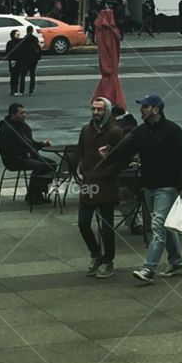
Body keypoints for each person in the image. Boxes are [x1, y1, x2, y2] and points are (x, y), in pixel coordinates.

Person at [100, 94, 182, 284]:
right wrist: (108, 156)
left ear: (155, 109)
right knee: (165, 226)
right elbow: (126, 151)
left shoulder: (172, 130)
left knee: (157, 226)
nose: (141, 110)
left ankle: (149, 269)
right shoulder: (141, 132)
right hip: (149, 185)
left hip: (167, 187)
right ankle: (176, 262)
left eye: (145, 107)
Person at [76, 97, 126, 278]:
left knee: (107, 226)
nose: (95, 113)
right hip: (89, 182)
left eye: (99, 110)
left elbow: (121, 159)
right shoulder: (86, 130)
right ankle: (96, 253)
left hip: (106, 184)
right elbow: (80, 151)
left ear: (107, 111)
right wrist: (82, 166)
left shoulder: (115, 132)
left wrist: (107, 173)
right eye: (93, 109)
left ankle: (108, 260)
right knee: (83, 223)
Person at [0, 102, 56, 205]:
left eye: (24, 112)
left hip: (28, 156)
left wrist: (41, 144)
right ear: (13, 115)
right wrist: (25, 154)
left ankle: (39, 193)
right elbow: (7, 149)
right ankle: (32, 195)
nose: (24, 115)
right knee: (40, 166)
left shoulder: (24, 127)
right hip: (14, 160)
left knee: (52, 165)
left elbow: (31, 144)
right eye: (21, 113)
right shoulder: (6, 130)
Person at [12, 25, 42, 95]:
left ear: (26, 31)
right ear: (32, 31)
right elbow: (38, 48)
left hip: (25, 59)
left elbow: (20, 50)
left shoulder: (23, 40)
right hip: (34, 59)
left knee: (23, 75)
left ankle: (21, 91)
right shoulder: (35, 39)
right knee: (32, 74)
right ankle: (31, 90)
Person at [4, 29, 22, 95]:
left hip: (19, 61)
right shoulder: (10, 43)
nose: (18, 36)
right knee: (13, 76)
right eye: (17, 34)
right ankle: (12, 90)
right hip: (13, 61)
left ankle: (15, 90)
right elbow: (7, 53)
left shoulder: (20, 42)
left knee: (17, 76)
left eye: (18, 34)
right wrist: (10, 60)